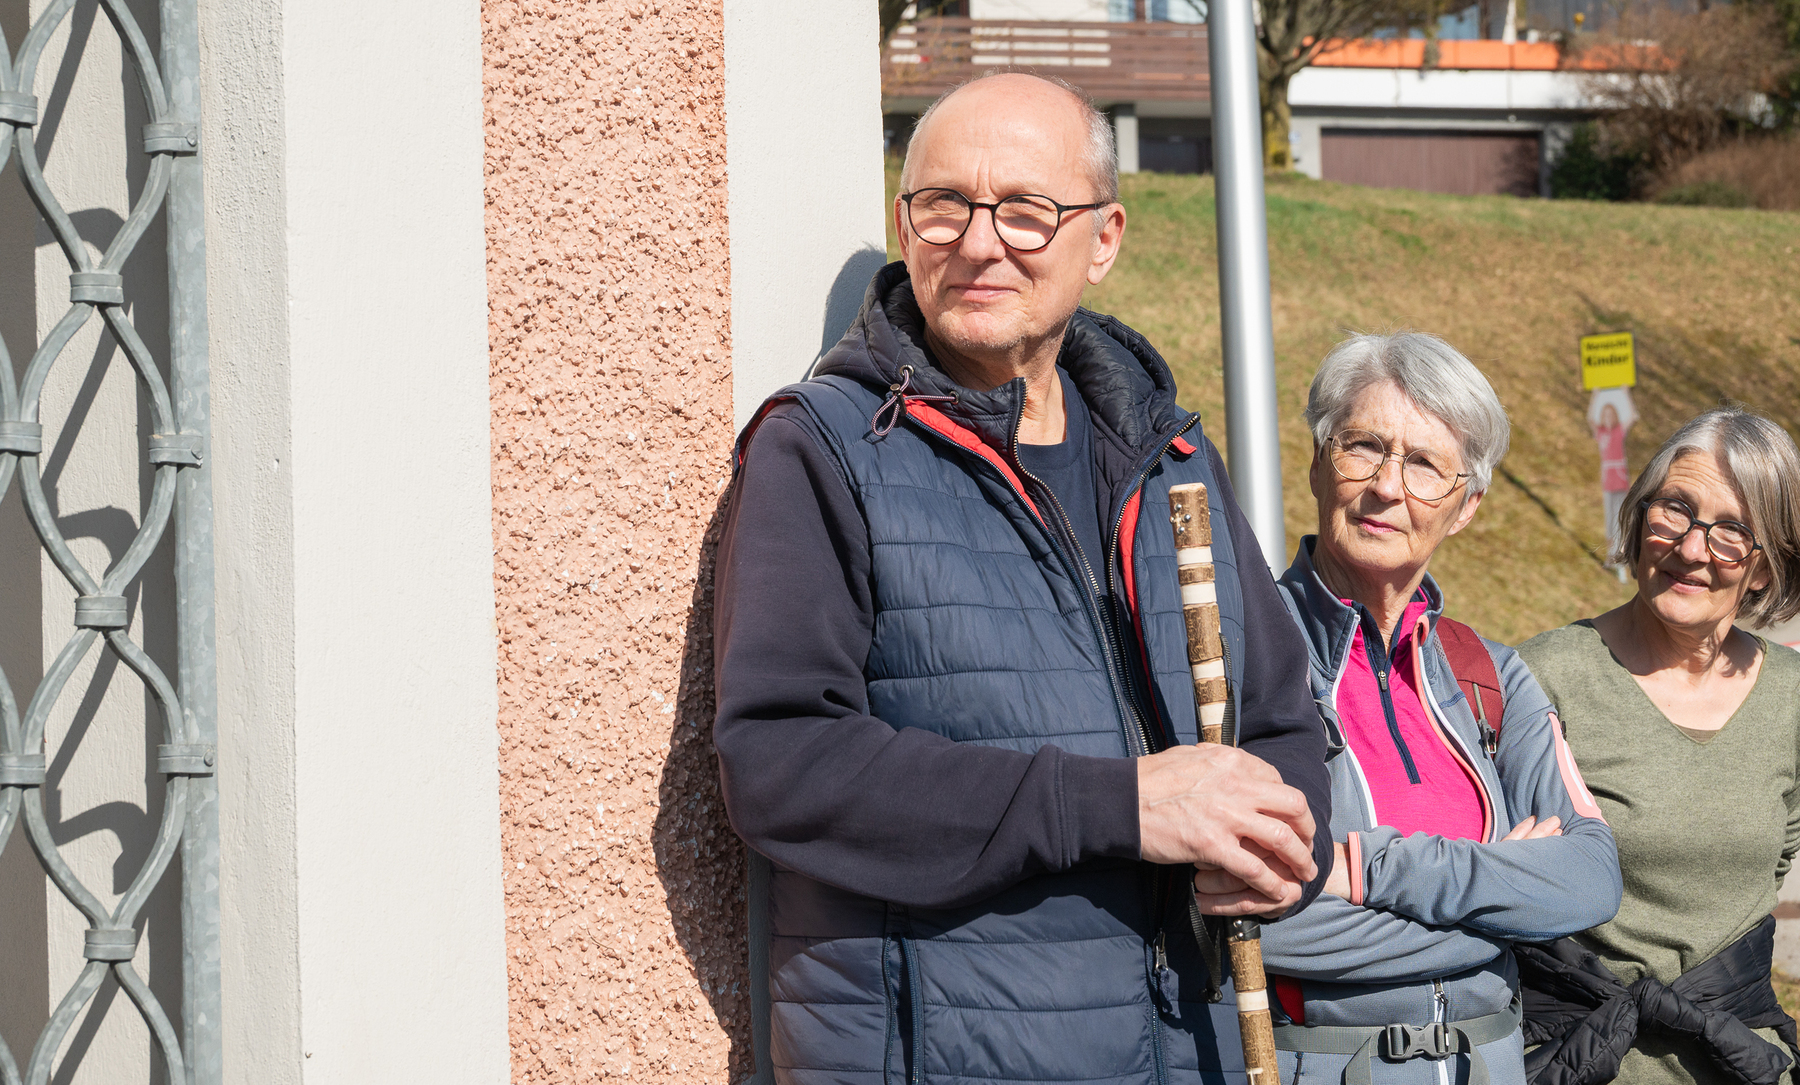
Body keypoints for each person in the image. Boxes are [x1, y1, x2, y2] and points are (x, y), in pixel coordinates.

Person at [712, 73, 1332, 1085]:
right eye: (943, 205)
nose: (979, 242)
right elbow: (781, 762)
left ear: (1104, 237)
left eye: (1026, 211)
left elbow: (1281, 726)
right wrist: (1117, 805)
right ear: (905, 227)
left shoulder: (1171, 459)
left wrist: (1279, 848)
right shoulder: (823, 446)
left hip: (1188, 1052)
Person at [1253, 332, 1622, 1085]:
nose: (1388, 487)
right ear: (1318, 461)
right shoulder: (1242, 660)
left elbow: (1589, 877)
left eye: (1424, 464)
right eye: (1364, 447)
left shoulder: (1492, 676)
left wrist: (1364, 868)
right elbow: (1253, 928)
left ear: (1466, 506)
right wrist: (1502, 909)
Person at [1516, 405, 1800, 1085]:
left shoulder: (1791, 696)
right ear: (1640, 518)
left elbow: (1776, 861)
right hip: (1579, 1060)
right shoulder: (1543, 677)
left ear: (1764, 568)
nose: (1693, 549)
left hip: (1741, 1061)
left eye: (1732, 531)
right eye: (1675, 510)